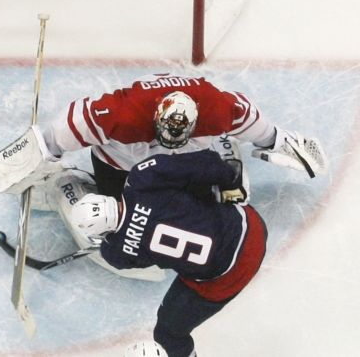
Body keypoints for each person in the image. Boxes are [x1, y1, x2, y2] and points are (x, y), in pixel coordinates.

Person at [69, 149, 267, 357]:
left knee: (168, 334)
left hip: (226, 279)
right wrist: (228, 181)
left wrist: (113, 239)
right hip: (250, 229)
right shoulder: (142, 179)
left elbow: (113, 249)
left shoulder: (117, 253)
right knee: (186, 186)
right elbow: (204, 162)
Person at [40, 72, 328, 200]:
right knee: (116, 210)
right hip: (122, 164)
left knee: (210, 200)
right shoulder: (122, 116)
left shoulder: (218, 110)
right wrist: (41, 156)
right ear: (155, 118)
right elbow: (62, 130)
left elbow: (263, 130)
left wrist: (281, 143)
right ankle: (75, 186)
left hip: (185, 161)